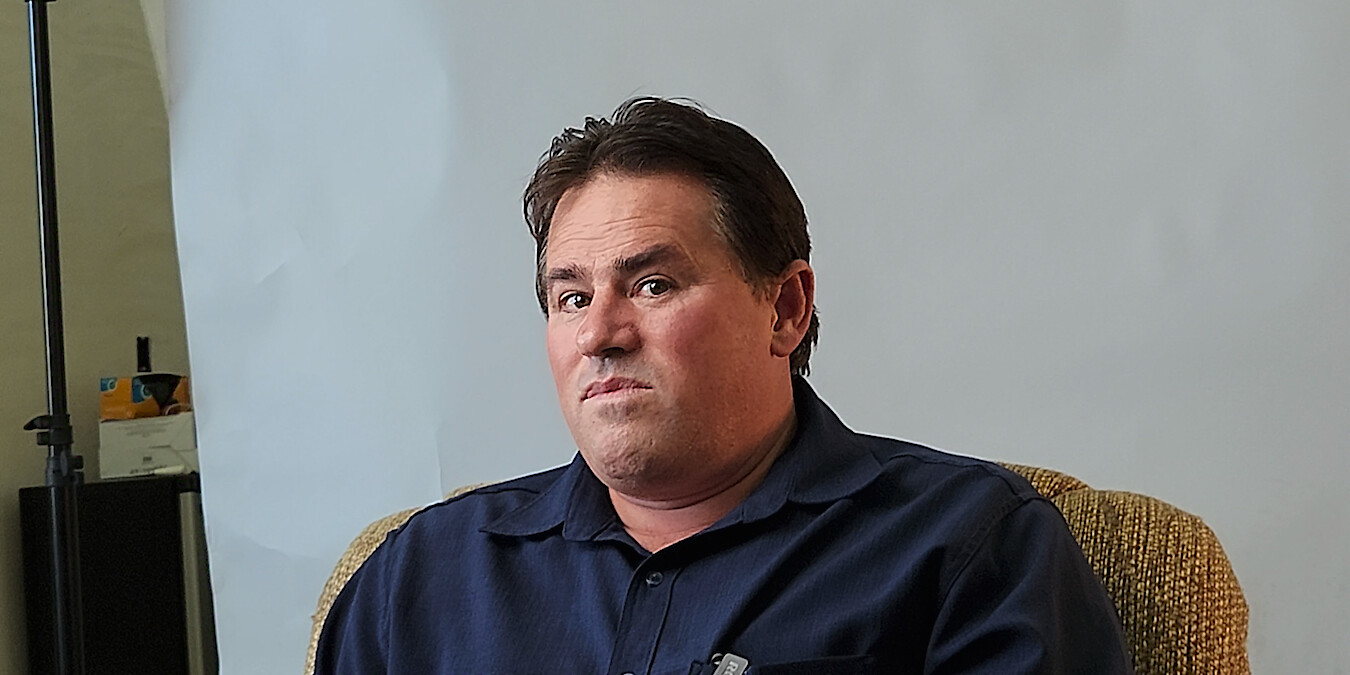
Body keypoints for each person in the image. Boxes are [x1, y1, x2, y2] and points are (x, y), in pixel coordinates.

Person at [314, 97, 1133, 674]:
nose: (600, 333)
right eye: (571, 297)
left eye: (653, 285)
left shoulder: (971, 547)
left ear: (784, 307)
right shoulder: (420, 573)